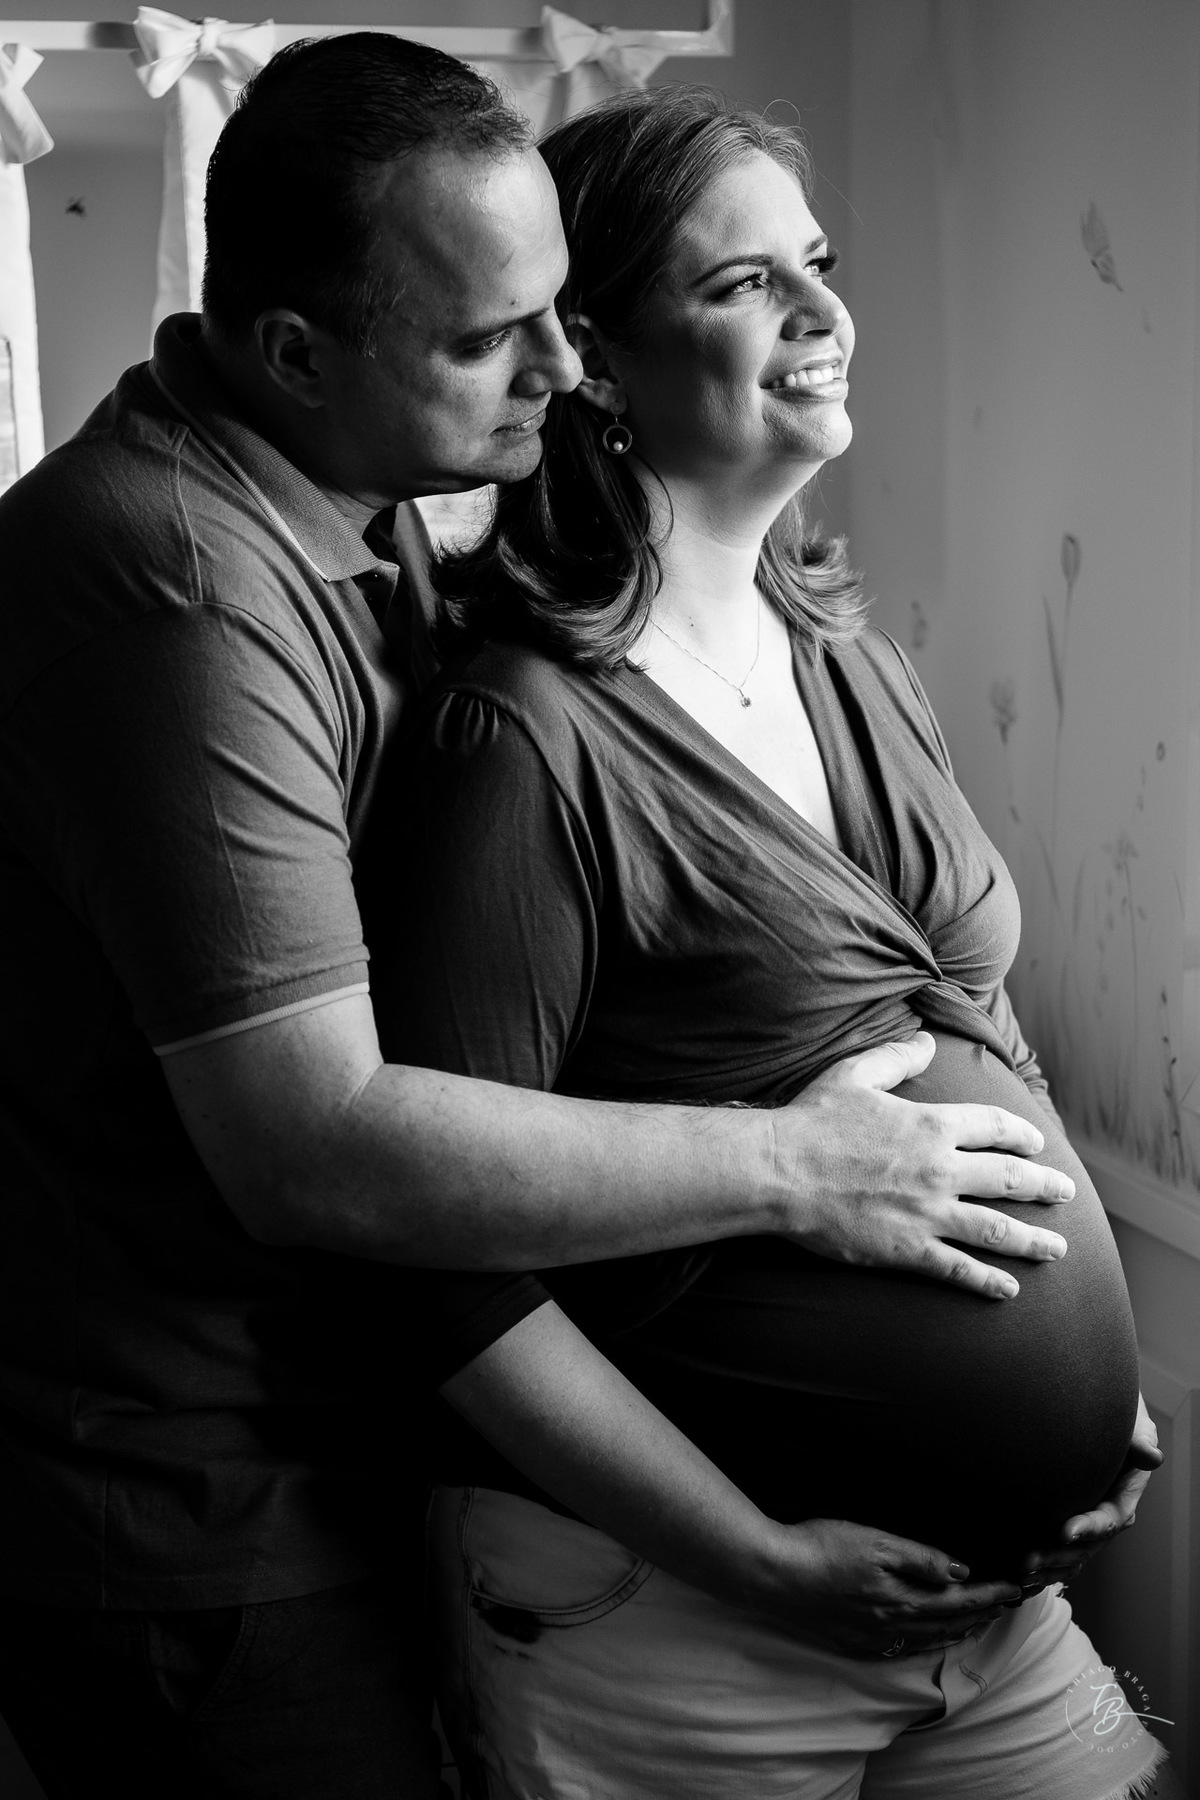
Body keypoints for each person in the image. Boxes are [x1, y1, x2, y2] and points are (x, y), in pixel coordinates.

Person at [0, 29, 1145, 1800]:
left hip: (410, 1464)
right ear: (298, 355)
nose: (553, 365)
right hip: (205, 1491)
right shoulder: (181, 586)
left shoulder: (375, 518)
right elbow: (322, 1151)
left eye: (557, 311)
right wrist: (807, 1169)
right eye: (491, 337)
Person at [362, 86, 1177, 1799]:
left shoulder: (852, 662)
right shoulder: (522, 743)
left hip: (993, 1599)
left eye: (815, 264)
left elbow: (977, 1014)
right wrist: (755, 1557)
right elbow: (429, 1268)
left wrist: (1088, 1396)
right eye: (745, 286)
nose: (823, 314)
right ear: (596, 357)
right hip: (675, 1613)